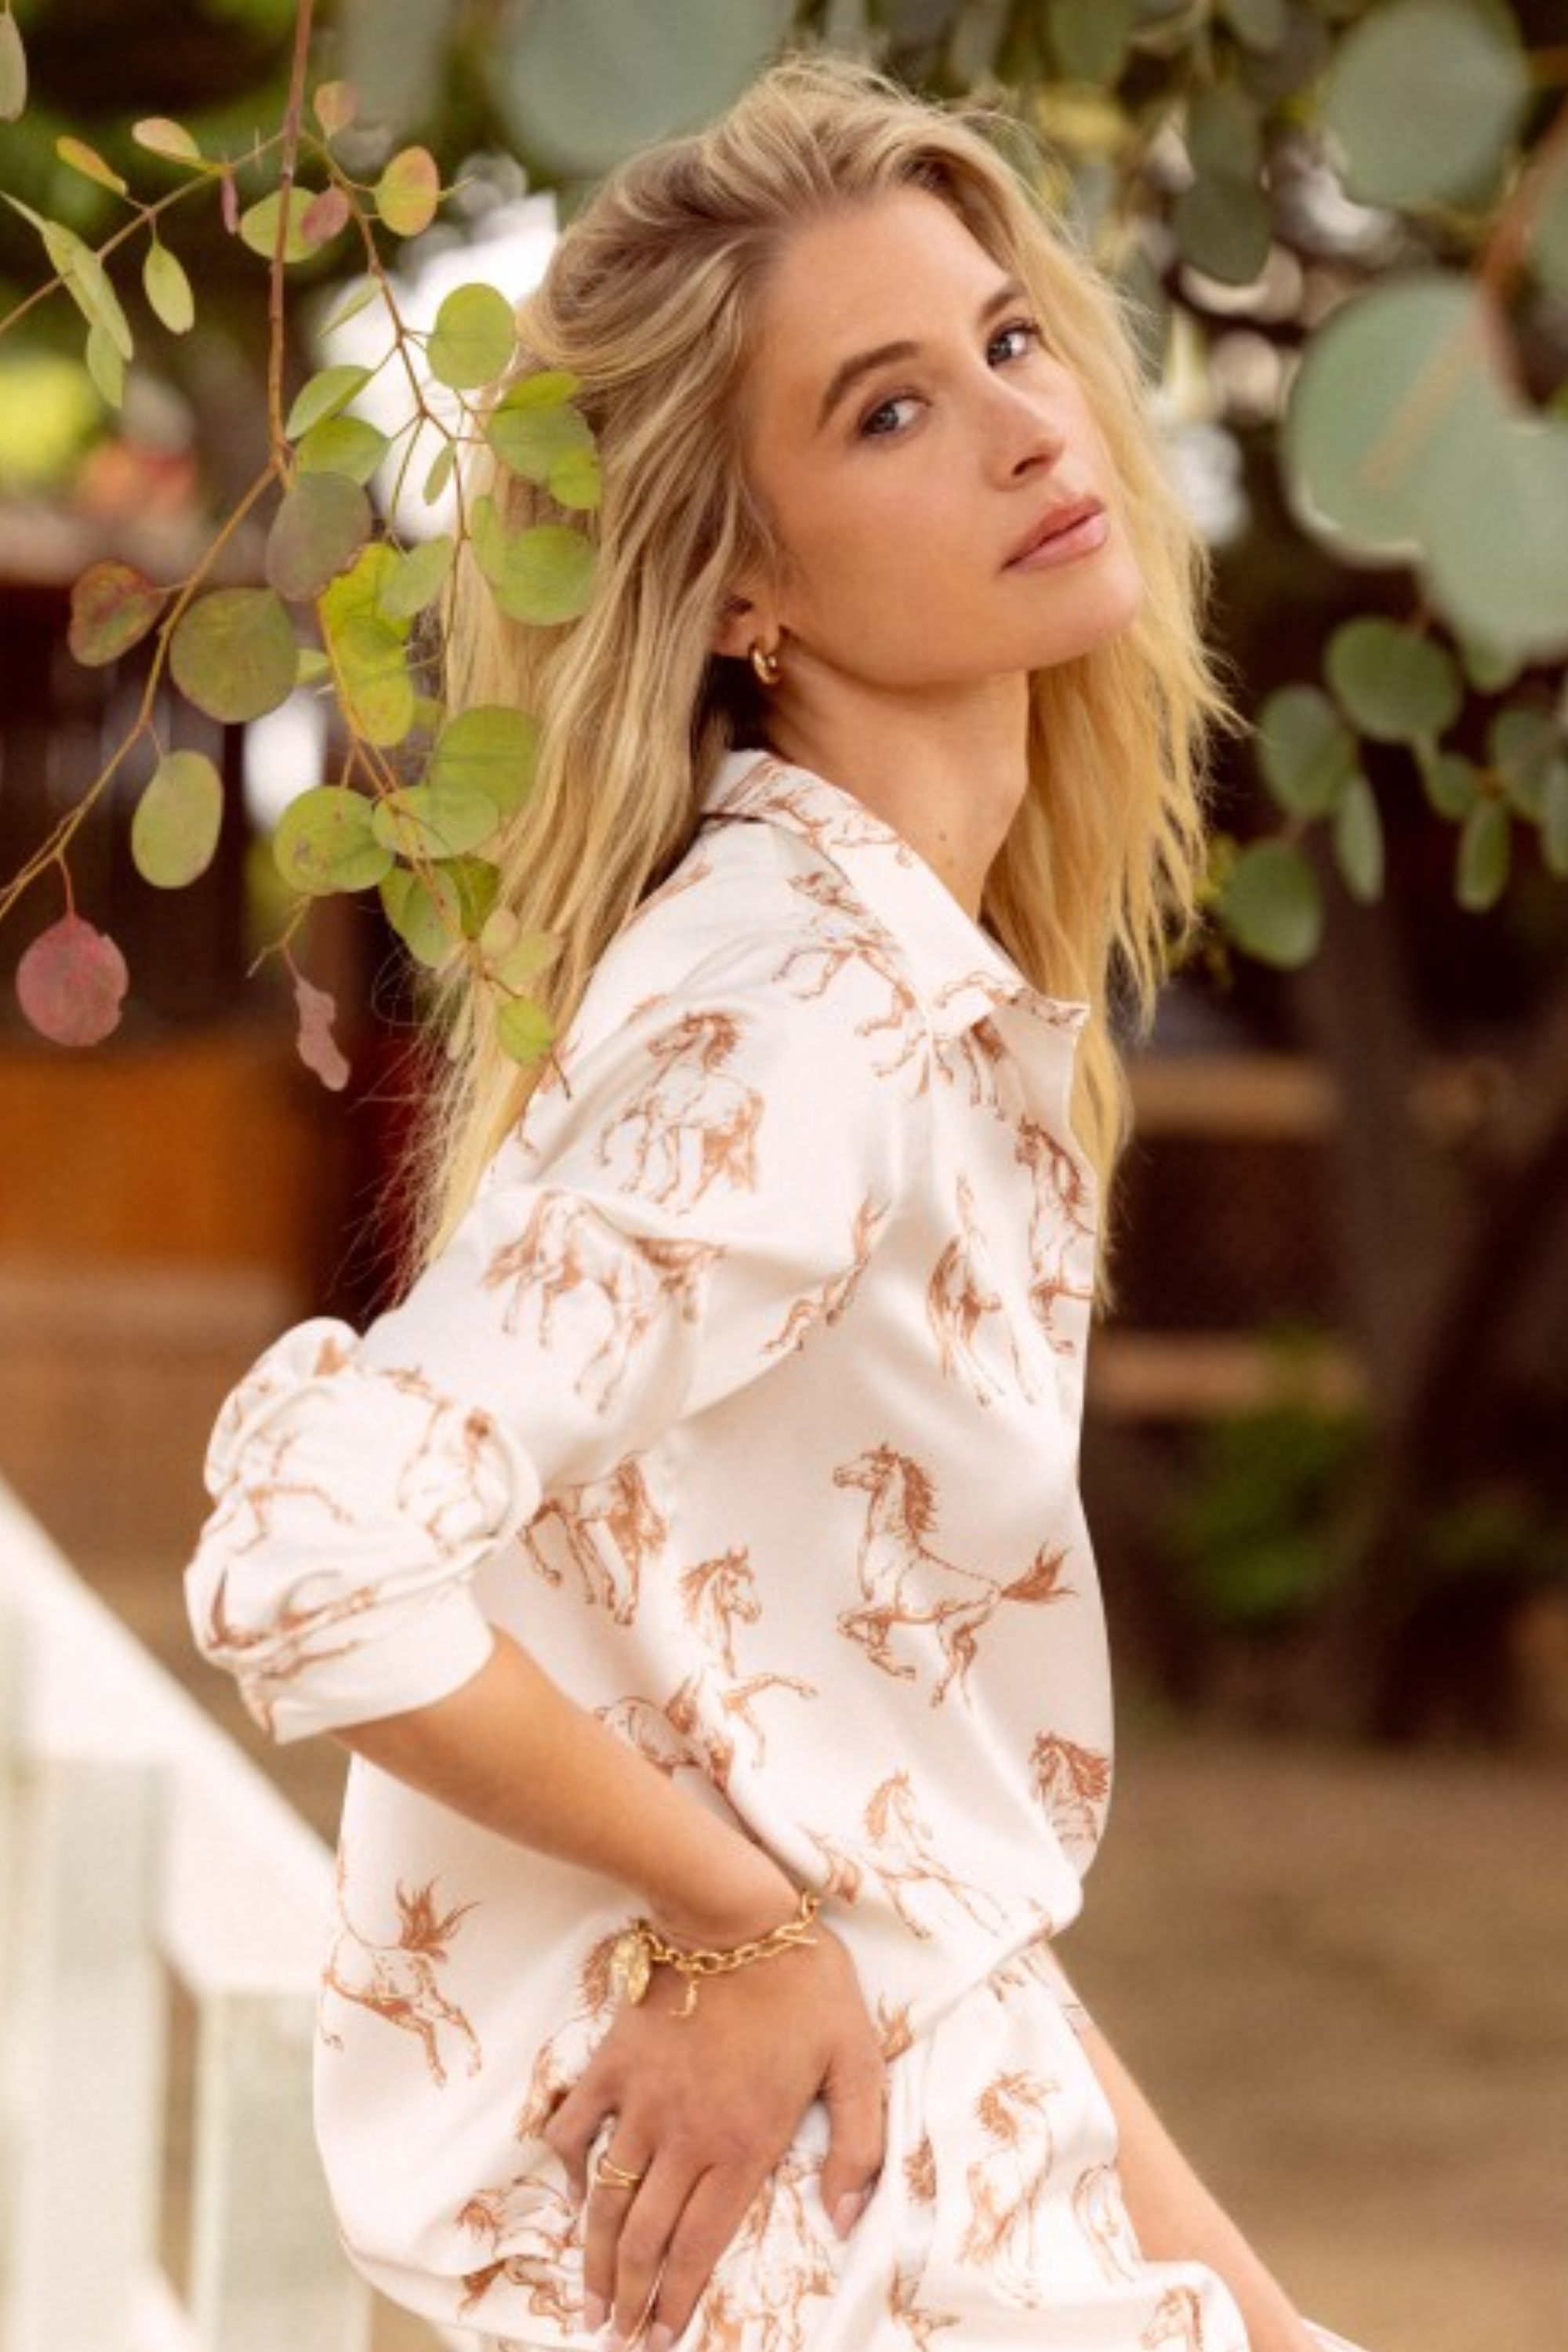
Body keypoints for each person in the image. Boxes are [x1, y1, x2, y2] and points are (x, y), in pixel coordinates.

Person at [187, 53, 1367, 2352]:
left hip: (969, 2213)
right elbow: (310, 1547)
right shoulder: (791, 1020)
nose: (1031, 428)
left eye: (1010, 342)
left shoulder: (909, 991)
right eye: (889, 413)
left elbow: (936, 1879)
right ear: (737, 580)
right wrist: (733, 1921)